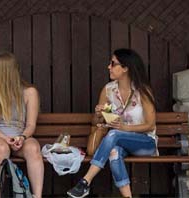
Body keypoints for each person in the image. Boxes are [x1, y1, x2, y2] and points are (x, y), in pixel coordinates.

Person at [67, 48, 157, 198]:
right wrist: (98, 115)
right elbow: (97, 122)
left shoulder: (142, 91)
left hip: (145, 142)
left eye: (113, 63)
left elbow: (150, 125)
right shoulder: (108, 90)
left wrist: (124, 128)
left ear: (125, 68)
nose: (109, 67)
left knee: (115, 133)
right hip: (119, 142)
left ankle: (86, 181)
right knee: (114, 152)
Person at [0, 51, 44, 198]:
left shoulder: (30, 92)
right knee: (1, 148)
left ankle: (37, 196)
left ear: (5, 72)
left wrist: (22, 137)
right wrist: (5, 138)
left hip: (19, 138)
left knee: (34, 148)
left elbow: (31, 125)